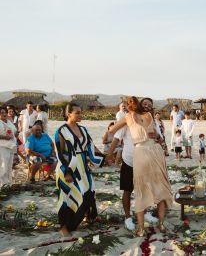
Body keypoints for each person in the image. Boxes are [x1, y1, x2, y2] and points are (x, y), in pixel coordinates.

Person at [110, 96, 173, 236]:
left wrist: (157, 135)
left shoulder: (146, 118)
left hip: (147, 154)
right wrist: (111, 152)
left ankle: (148, 226)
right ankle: (132, 220)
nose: (146, 106)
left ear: (151, 108)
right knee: (135, 190)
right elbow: (115, 135)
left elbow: (161, 140)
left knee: (148, 190)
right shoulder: (138, 116)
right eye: (144, 103)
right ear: (139, 104)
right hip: (132, 158)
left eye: (149, 104)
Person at [55, 103, 104, 237]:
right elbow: (60, 153)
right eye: (77, 112)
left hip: (83, 166)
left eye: (81, 112)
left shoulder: (83, 129)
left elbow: (91, 146)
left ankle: (90, 217)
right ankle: (64, 227)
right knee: (67, 196)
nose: (80, 115)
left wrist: (103, 157)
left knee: (89, 191)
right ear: (69, 113)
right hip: (68, 167)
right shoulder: (61, 130)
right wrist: (67, 171)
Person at [106, 118, 158, 231]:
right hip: (128, 162)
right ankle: (128, 217)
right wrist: (109, 154)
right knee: (127, 190)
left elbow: (157, 139)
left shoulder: (146, 122)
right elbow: (116, 139)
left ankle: (145, 212)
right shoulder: (126, 123)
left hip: (144, 162)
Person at [0, 106, 17, 187]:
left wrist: (16, 133)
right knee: (3, 165)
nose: (4, 114)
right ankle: (2, 184)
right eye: (1, 113)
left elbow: (13, 131)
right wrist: (5, 137)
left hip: (11, 146)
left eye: (5, 112)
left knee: (9, 166)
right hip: (2, 146)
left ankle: (8, 184)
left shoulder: (8, 121)